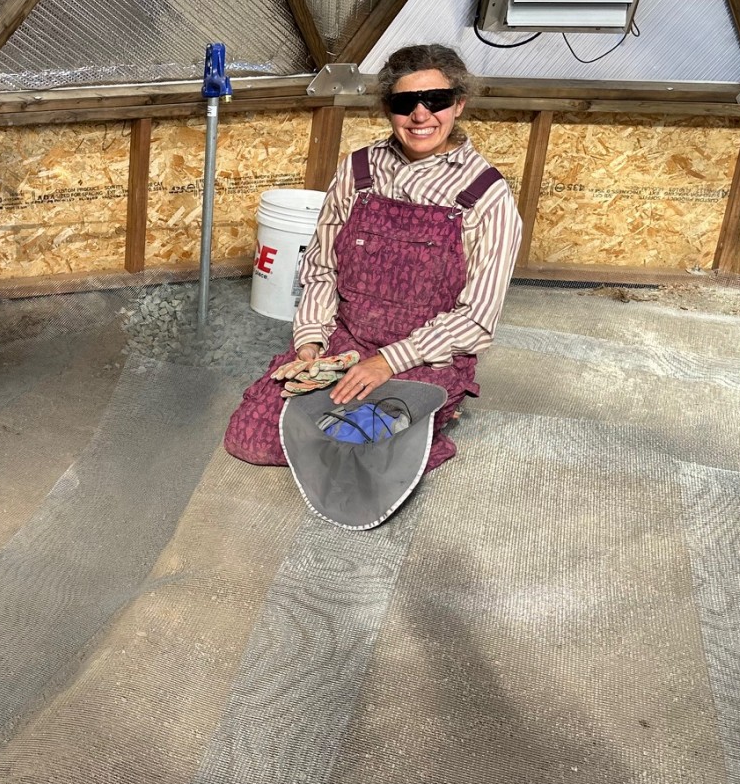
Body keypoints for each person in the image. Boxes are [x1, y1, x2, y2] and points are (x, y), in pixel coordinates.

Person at [224, 43, 523, 473]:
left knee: (357, 452)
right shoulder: (359, 170)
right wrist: (310, 340)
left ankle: (439, 405)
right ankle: (408, 415)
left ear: (458, 104)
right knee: (251, 440)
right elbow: (322, 267)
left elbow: (476, 318)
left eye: (435, 100)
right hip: (347, 340)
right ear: (388, 109)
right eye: (405, 103)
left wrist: (388, 363)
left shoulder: (486, 194)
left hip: (422, 354)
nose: (421, 115)